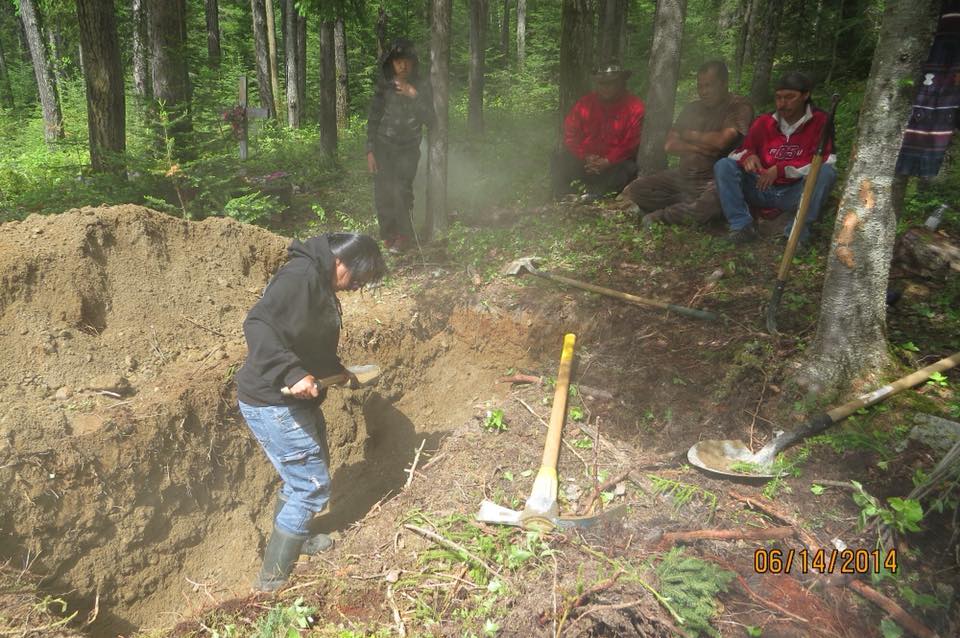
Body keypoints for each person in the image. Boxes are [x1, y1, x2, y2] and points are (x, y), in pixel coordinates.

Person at [235, 232, 387, 592]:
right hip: (272, 401)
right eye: (358, 278)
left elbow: (305, 336)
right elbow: (258, 325)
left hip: (293, 401)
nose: (357, 287)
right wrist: (292, 373)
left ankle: (297, 540)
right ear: (340, 262)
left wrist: (336, 371)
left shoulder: (319, 281)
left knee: (304, 473)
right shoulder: (299, 278)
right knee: (311, 485)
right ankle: (270, 583)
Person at [620, 61, 753, 228]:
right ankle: (685, 205)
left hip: (713, 180)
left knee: (713, 203)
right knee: (637, 189)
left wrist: (688, 134)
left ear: (724, 83)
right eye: (700, 86)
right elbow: (669, 145)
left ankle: (663, 216)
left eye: (709, 85)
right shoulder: (692, 108)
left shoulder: (738, 105)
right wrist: (698, 147)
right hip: (683, 177)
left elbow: (721, 142)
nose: (703, 91)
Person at [714, 71, 837, 245]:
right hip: (761, 187)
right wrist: (748, 156)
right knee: (724, 165)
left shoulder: (820, 121)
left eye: (789, 97)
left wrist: (781, 170)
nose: (782, 104)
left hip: (795, 193)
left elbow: (827, 160)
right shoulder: (764, 121)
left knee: (826, 173)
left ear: (805, 95)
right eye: (778, 98)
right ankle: (742, 226)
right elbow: (738, 152)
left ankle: (796, 234)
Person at [366, 38, 436, 253]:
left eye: (406, 61)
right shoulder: (384, 86)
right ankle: (389, 235)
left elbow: (431, 119)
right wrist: (369, 150)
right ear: (391, 64)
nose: (403, 66)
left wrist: (413, 95)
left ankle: (405, 236)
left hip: (408, 148)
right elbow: (373, 118)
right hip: (383, 146)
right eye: (398, 62)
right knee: (382, 192)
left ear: (413, 63)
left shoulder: (422, 86)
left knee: (401, 191)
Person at [552, 63, 645, 201]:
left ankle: (601, 195)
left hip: (615, 165)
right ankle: (563, 196)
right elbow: (570, 134)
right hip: (587, 163)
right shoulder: (585, 103)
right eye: (601, 83)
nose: (605, 87)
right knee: (559, 155)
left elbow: (632, 142)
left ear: (621, 82)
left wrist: (608, 161)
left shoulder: (635, 106)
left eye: (611, 83)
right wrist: (586, 156)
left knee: (629, 167)